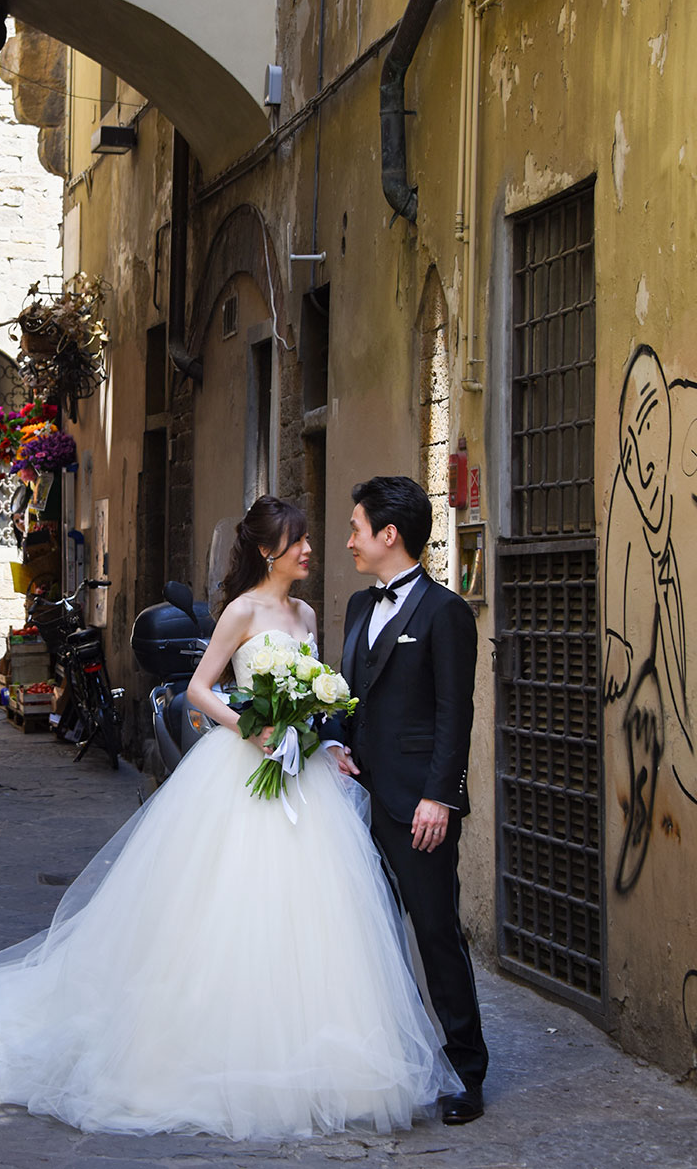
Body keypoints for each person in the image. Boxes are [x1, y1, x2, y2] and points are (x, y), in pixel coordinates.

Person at [0, 495, 458, 1140]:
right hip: (245, 769)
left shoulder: (304, 612)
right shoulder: (242, 611)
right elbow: (198, 688)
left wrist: (313, 731)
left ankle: (324, 1062)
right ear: (271, 550)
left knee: (315, 918)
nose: (310, 550)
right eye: (299, 541)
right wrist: (254, 726)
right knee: (226, 910)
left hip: (305, 779)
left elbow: (317, 686)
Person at [324, 476, 488, 1126]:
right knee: (364, 937)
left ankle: (468, 1073)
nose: (350, 542)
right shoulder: (362, 607)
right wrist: (333, 745)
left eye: (357, 529)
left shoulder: (445, 612)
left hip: (417, 807)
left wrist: (439, 799)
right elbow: (351, 695)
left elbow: (456, 716)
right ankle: (380, 1065)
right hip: (356, 798)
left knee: (436, 934)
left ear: (389, 535)